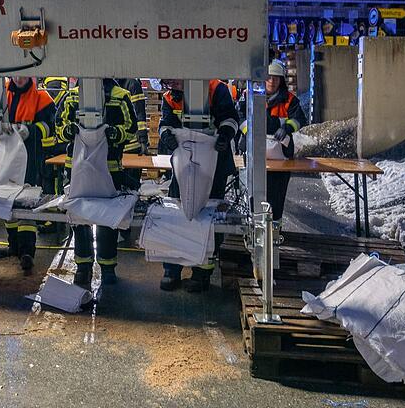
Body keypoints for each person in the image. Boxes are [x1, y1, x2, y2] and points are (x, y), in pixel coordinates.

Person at [157, 78, 239, 292]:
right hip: (184, 165)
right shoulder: (170, 97)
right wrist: (166, 135)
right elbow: (165, 123)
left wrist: (224, 135)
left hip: (215, 163)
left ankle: (202, 271)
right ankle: (171, 269)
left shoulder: (216, 89)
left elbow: (230, 119)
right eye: (167, 83)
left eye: (173, 81)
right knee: (175, 212)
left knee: (209, 216)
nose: (170, 87)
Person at [56, 78, 137, 287]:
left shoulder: (120, 96)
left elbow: (131, 127)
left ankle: (107, 267)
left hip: (109, 169)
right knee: (79, 218)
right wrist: (67, 131)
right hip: (77, 168)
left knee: (108, 220)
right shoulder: (72, 95)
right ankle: (83, 266)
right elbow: (59, 124)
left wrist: (115, 134)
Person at [0, 76, 56, 274]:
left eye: (23, 76)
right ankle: (14, 246)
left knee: (27, 203)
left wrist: (31, 130)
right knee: (7, 201)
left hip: (30, 159)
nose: (19, 79)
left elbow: (50, 127)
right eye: (16, 76)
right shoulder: (2, 94)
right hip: (6, 157)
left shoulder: (42, 98)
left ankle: (27, 252)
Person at [238, 60, 307, 222]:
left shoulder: (289, 100)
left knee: (276, 194)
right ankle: (253, 224)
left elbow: (299, 119)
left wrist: (287, 128)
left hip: (280, 156)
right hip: (253, 152)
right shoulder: (249, 95)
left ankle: (275, 227)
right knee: (253, 191)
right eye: (269, 77)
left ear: (281, 80)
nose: (272, 81)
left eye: (276, 78)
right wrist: (249, 131)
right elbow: (239, 116)